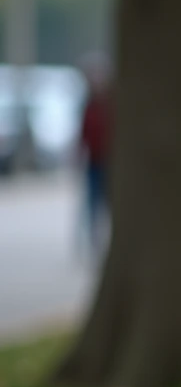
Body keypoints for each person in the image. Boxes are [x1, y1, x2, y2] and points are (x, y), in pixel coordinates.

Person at [78, 56, 112, 254]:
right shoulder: (89, 104)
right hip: (93, 161)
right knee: (91, 203)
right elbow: (84, 131)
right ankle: (92, 241)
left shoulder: (110, 105)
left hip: (109, 161)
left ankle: (104, 238)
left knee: (107, 202)